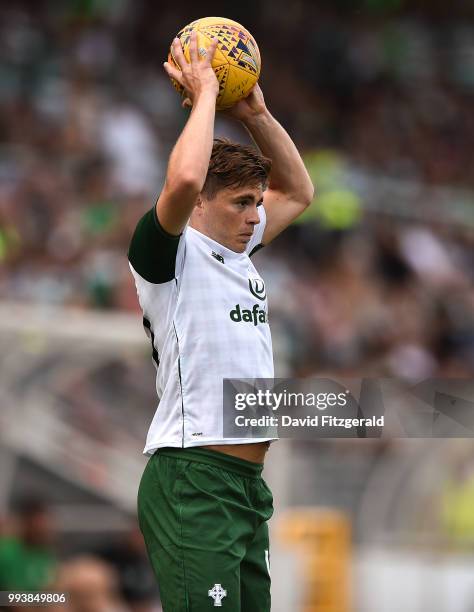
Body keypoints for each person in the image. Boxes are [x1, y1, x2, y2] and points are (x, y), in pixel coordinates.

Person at [128, 31, 314, 611]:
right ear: (203, 205)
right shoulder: (168, 255)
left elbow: (301, 191)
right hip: (193, 478)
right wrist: (207, 92)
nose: (256, 215)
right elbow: (182, 180)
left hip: (245, 490)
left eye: (258, 202)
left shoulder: (237, 255)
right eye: (241, 202)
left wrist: (255, 111)